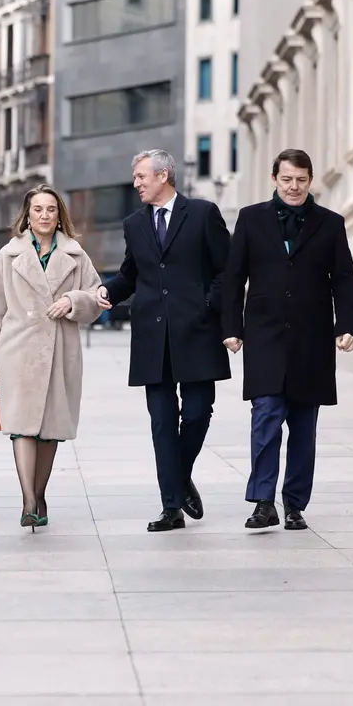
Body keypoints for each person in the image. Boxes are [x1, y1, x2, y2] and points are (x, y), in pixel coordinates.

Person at [221, 148, 353, 530]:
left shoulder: (330, 224)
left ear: (310, 180)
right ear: (274, 179)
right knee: (265, 415)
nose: (293, 186)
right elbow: (234, 278)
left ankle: (295, 503)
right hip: (264, 336)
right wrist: (231, 328)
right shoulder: (250, 219)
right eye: (286, 179)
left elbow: (344, 278)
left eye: (300, 180)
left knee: (303, 424)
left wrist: (345, 325)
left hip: (312, 339)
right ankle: (263, 501)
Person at [96, 149, 231, 533]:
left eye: (141, 176)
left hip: (198, 333)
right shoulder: (134, 224)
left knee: (198, 414)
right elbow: (131, 274)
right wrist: (107, 292)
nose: (135, 183)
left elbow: (227, 270)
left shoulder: (203, 214)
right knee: (161, 423)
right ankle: (171, 506)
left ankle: (178, 476)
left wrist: (209, 306)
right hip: (152, 337)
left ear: (164, 175)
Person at [0, 186, 103, 530]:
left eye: (51, 209)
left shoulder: (77, 256)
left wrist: (74, 301)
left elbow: (97, 297)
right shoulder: (8, 255)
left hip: (60, 351)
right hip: (16, 351)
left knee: (50, 430)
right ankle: (28, 500)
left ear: (59, 214)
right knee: (21, 427)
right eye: (38, 209)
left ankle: (40, 492)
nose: (44, 215)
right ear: (27, 215)